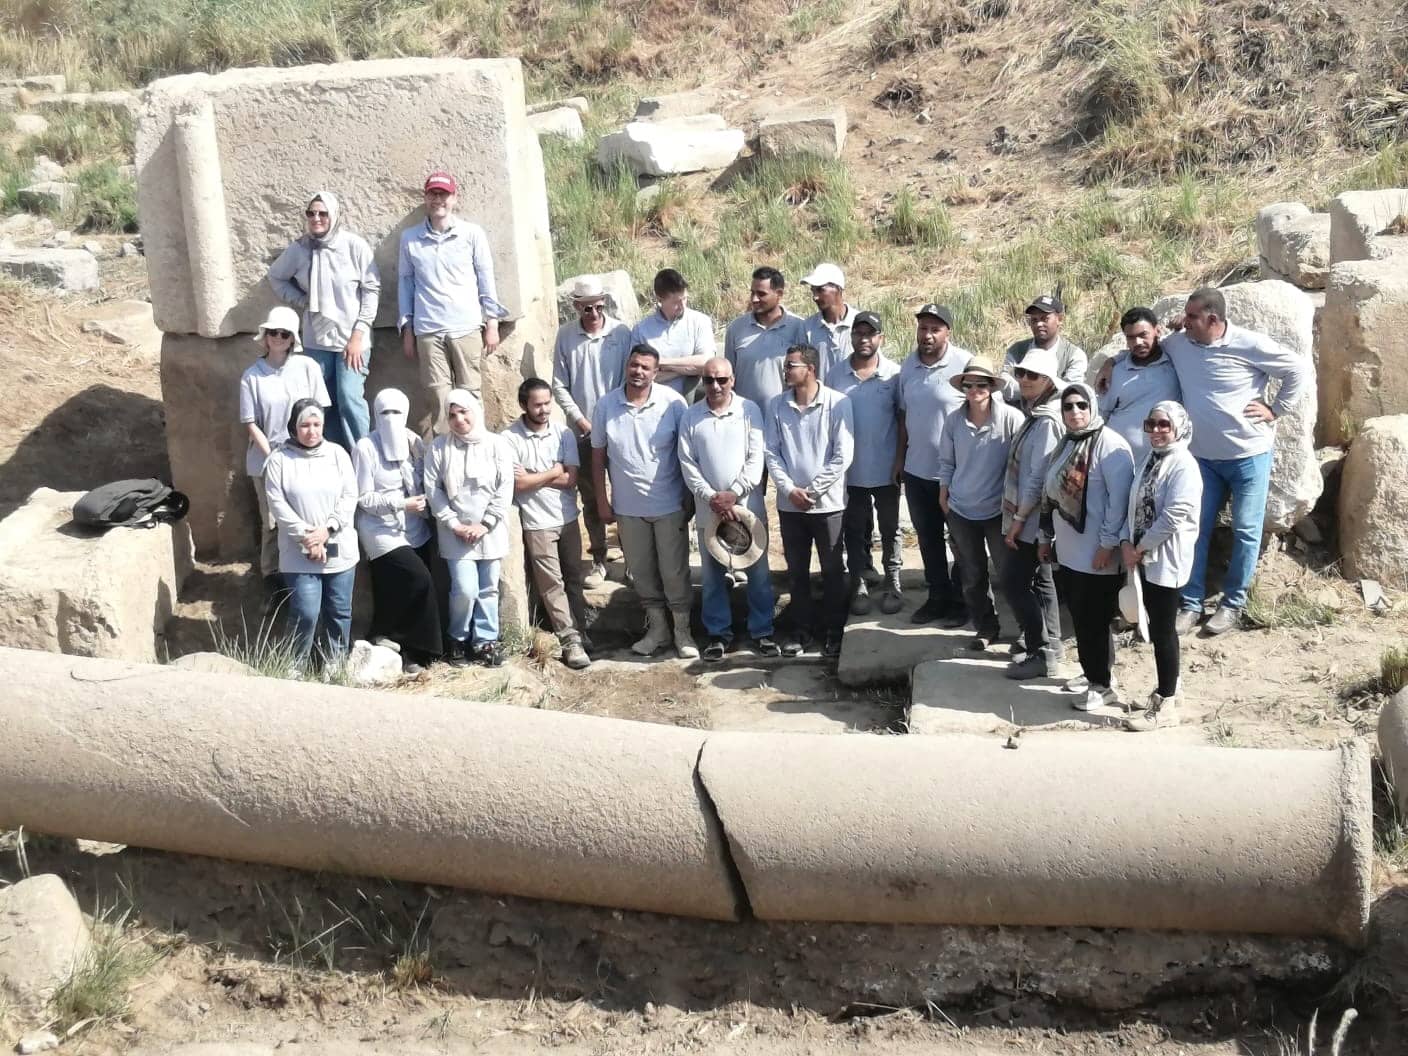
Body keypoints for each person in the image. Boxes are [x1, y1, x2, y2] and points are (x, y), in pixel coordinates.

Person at [1096, 287, 1309, 636]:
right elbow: (1143, 346)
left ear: (1213, 319)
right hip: (1202, 460)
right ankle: (1191, 603)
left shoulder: (1249, 344)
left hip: (1248, 455)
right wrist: (1110, 361)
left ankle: (1233, 604)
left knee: (1245, 529)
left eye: (1192, 316)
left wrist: (1276, 409)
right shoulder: (1181, 344)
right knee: (1193, 531)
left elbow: (1297, 370)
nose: (1184, 322)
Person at [591, 346, 697, 659]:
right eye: (634, 365)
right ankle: (658, 630)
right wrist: (602, 500)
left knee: (674, 572)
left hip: (668, 503)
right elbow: (598, 457)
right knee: (642, 572)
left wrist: (688, 497)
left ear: (656, 372)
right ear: (627, 366)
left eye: (646, 368)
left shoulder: (672, 403)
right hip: (627, 507)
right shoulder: (607, 405)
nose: (639, 372)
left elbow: (687, 454)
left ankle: (683, 632)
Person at [1039, 383, 1134, 712]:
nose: (1075, 412)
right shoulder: (1067, 444)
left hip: (1098, 553)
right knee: (1081, 616)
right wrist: (1044, 536)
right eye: (1068, 407)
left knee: (1095, 617)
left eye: (1082, 405)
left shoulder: (1111, 446)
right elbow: (1050, 495)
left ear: (1093, 406)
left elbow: (1119, 505)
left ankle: (1102, 684)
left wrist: (1107, 545)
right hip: (1070, 550)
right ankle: (1093, 672)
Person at [678, 356, 778, 660]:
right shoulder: (691, 416)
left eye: (722, 379)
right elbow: (687, 462)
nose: (716, 385)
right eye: (709, 380)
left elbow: (755, 458)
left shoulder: (749, 411)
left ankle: (763, 632)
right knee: (712, 574)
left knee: (758, 572)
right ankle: (718, 634)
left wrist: (733, 493)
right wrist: (711, 497)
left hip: (747, 507)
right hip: (709, 509)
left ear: (732, 380)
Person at [266, 191, 380, 449]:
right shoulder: (300, 249)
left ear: (334, 215)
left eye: (323, 213)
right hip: (316, 339)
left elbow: (371, 290)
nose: (316, 218)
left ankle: (362, 457)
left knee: (349, 397)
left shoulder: (354, 246)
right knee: (319, 403)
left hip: (352, 340)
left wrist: (358, 335)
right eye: (311, 213)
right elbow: (276, 277)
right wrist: (303, 301)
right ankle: (331, 458)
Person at [398, 172, 508, 437]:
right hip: (428, 330)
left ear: (454, 198)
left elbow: (485, 278)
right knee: (438, 395)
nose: (438, 200)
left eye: (444, 194)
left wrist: (491, 323)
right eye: (433, 194)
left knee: (469, 392)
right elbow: (405, 284)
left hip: (466, 326)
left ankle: (477, 445)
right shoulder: (410, 238)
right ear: (425, 198)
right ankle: (444, 455)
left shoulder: (471, 234)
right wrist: (407, 330)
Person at [765, 344, 854, 658]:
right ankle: (801, 631)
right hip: (790, 506)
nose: (786, 370)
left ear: (811, 369)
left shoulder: (838, 403)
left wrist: (812, 491)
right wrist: (789, 490)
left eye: (791, 365)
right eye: (786, 365)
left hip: (828, 505)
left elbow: (842, 455)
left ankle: (833, 632)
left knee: (832, 570)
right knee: (797, 571)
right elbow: (771, 453)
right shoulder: (777, 405)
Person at [1122, 401, 1202, 732]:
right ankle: (1171, 687)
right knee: (1157, 626)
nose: (1156, 431)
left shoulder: (1183, 465)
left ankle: (1166, 704)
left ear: (1179, 427)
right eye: (1151, 424)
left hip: (1164, 557)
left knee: (1163, 630)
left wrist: (1140, 546)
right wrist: (1129, 541)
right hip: (1144, 554)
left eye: (1163, 425)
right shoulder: (1152, 459)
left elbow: (1174, 515)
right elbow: (1135, 503)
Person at [262, 399, 359, 674]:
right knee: (306, 611)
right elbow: (277, 504)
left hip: (338, 546)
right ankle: (294, 666)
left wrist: (326, 531)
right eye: (305, 424)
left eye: (317, 424)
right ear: (294, 426)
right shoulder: (279, 460)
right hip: (298, 551)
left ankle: (334, 664)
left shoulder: (338, 454)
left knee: (339, 611)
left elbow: (349, 495)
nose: (312, 431)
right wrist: (308, 538)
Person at [239, 306, 331, 592]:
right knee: (272, 525)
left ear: (293, 339)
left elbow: (319, 411)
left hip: (306, 456)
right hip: (267, 458)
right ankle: (272, 582)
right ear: (265, 337)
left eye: (284, 333)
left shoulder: (308, 367)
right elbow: (251, 423)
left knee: (308, 516)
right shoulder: (252, 376)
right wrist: (275, 456)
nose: (278, 338)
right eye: (273, 333)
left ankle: (309, 578)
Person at [937, 357, 1026, 649]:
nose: (974, 389)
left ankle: (1029, 631)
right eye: (969, 384)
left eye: (981, 384)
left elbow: (1023, 466)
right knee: (971, 574)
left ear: (992, 387)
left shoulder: (1012, 419)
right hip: (962, 509)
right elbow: (946, 461)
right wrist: (944, 493)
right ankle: (986, 627)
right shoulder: (953, 420)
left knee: (1011, 574)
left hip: (999, 512)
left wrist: (1018, 511)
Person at [352, 388, 442, 675]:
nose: (390, 419)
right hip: (380, 529)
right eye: (384, 413)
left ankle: (406, 648)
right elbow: (363, 498)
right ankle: (413, 644)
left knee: (398, 590)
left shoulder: (414, 442)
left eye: (396, 412)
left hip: (414, 527)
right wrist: (399, 504)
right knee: (419, 578)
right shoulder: (365, 447)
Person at [505, 378, 592, 671]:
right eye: (537, 404)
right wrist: (553, 470)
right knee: (552, 584)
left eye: (547, 403)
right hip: (537, 522)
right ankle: (570, 640)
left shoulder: (563, 433)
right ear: (523, 405)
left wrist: (535, 475)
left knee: (574, 578)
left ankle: (581, 629)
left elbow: (570, 479)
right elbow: (517, 484)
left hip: (567, 517)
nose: (544, 410)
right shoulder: (510, 439)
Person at [424, 389, 514, 668]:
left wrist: (486, 523)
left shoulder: (497, 445)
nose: (459, 419)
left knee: (488, 588)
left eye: (463, 412)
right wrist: (454, 523)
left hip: (491, 530)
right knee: (464, 589)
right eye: (452, 415)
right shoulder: (439, 447)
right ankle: (457, 638)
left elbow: (504, 487)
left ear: (475, 411)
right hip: (456, 533)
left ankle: (485, 642)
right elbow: (433, 490)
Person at [551, 276, 632, 584]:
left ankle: (631, 559)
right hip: (583, 431)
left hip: (618, 428)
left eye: (599, 307)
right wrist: (581, 419)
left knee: (625, 494)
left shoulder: (621, 332)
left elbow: (630, 379)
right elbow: (560, 385)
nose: (595, 314)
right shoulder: (566, 336)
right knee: (591, 496)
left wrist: (614, 417)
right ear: (576, 307)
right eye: (588, 309)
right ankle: (599, 556)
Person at [896, 303, 971, 624]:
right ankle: (937, 597)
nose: (927, 335)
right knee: (927, 539)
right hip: (916, 472)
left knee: (960, 541)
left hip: (954, 474)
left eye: (934, 329)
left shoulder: (964, 363)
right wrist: (899, 460)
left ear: (948, 332)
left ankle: (962, 601)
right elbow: (903, 417)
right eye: (923, 328)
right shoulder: (907, 367)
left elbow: (980, 415)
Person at [825, 311, 903, 616]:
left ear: (880, 338)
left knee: (890, 529)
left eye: (870, 334)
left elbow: (902, 420)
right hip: (850, 470)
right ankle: (858, 582)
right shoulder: (836, 375)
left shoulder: (894, 374)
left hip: (886, 469)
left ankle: (892, 582)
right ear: (851, 337)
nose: (864, 339)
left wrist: (899, 460)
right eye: (858, 333)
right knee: (855, 530)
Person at [999, 348, 1067, 680]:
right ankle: (1051, 647)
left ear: (1049, 381)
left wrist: (1018, 521)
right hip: (1036, 518)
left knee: (1013, 582)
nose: (1024, 380)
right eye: (1021, 374)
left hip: (1034, 518)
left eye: (1032, 376)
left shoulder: (1046, 421)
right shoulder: (1038, 413)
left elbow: (1038, 478)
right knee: (1041, 581)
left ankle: (1042, 651)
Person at [1101, 306, 1182, 461]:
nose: (1138, 342)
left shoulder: (1175, 361)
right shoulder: (1116, 373)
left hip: (1163, 462)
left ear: (1157, 331)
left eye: (1143, 335)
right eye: (1131, 337)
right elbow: (1102, 414)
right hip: (1117, 461)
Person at [724, 266, 806, 410]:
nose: (754, 299)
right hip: (744, 416)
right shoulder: (736, 328)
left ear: (779, 294)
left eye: (761, 294)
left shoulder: (799, 328)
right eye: (752, 293)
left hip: (784, 416)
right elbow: (728, 376)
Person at [630, 268, 715, 399]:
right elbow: (639, 374)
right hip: (656, 404)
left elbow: (706, 363)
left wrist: (660, 363)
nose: (682, 306)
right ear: (660, 299)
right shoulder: (641, 330)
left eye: (685, 299)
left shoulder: (700, 322)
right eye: (676, 302)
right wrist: (689, 369)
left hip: (693, 404)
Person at [1000, 294, 1087, 400]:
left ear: (1059, 319)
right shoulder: (1017, 350)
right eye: (1034, 320)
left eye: (1044, 319)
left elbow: (1071, 391)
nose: (1039, 324)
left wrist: (1033, 391)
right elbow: (1004, 382)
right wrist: (1037, 390)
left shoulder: (1074, 355)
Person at [801, 262, 858, 380]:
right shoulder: (808, 327)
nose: (815, 297)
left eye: (820, 290)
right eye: (813, 291)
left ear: (837, 288)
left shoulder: (860, 323)